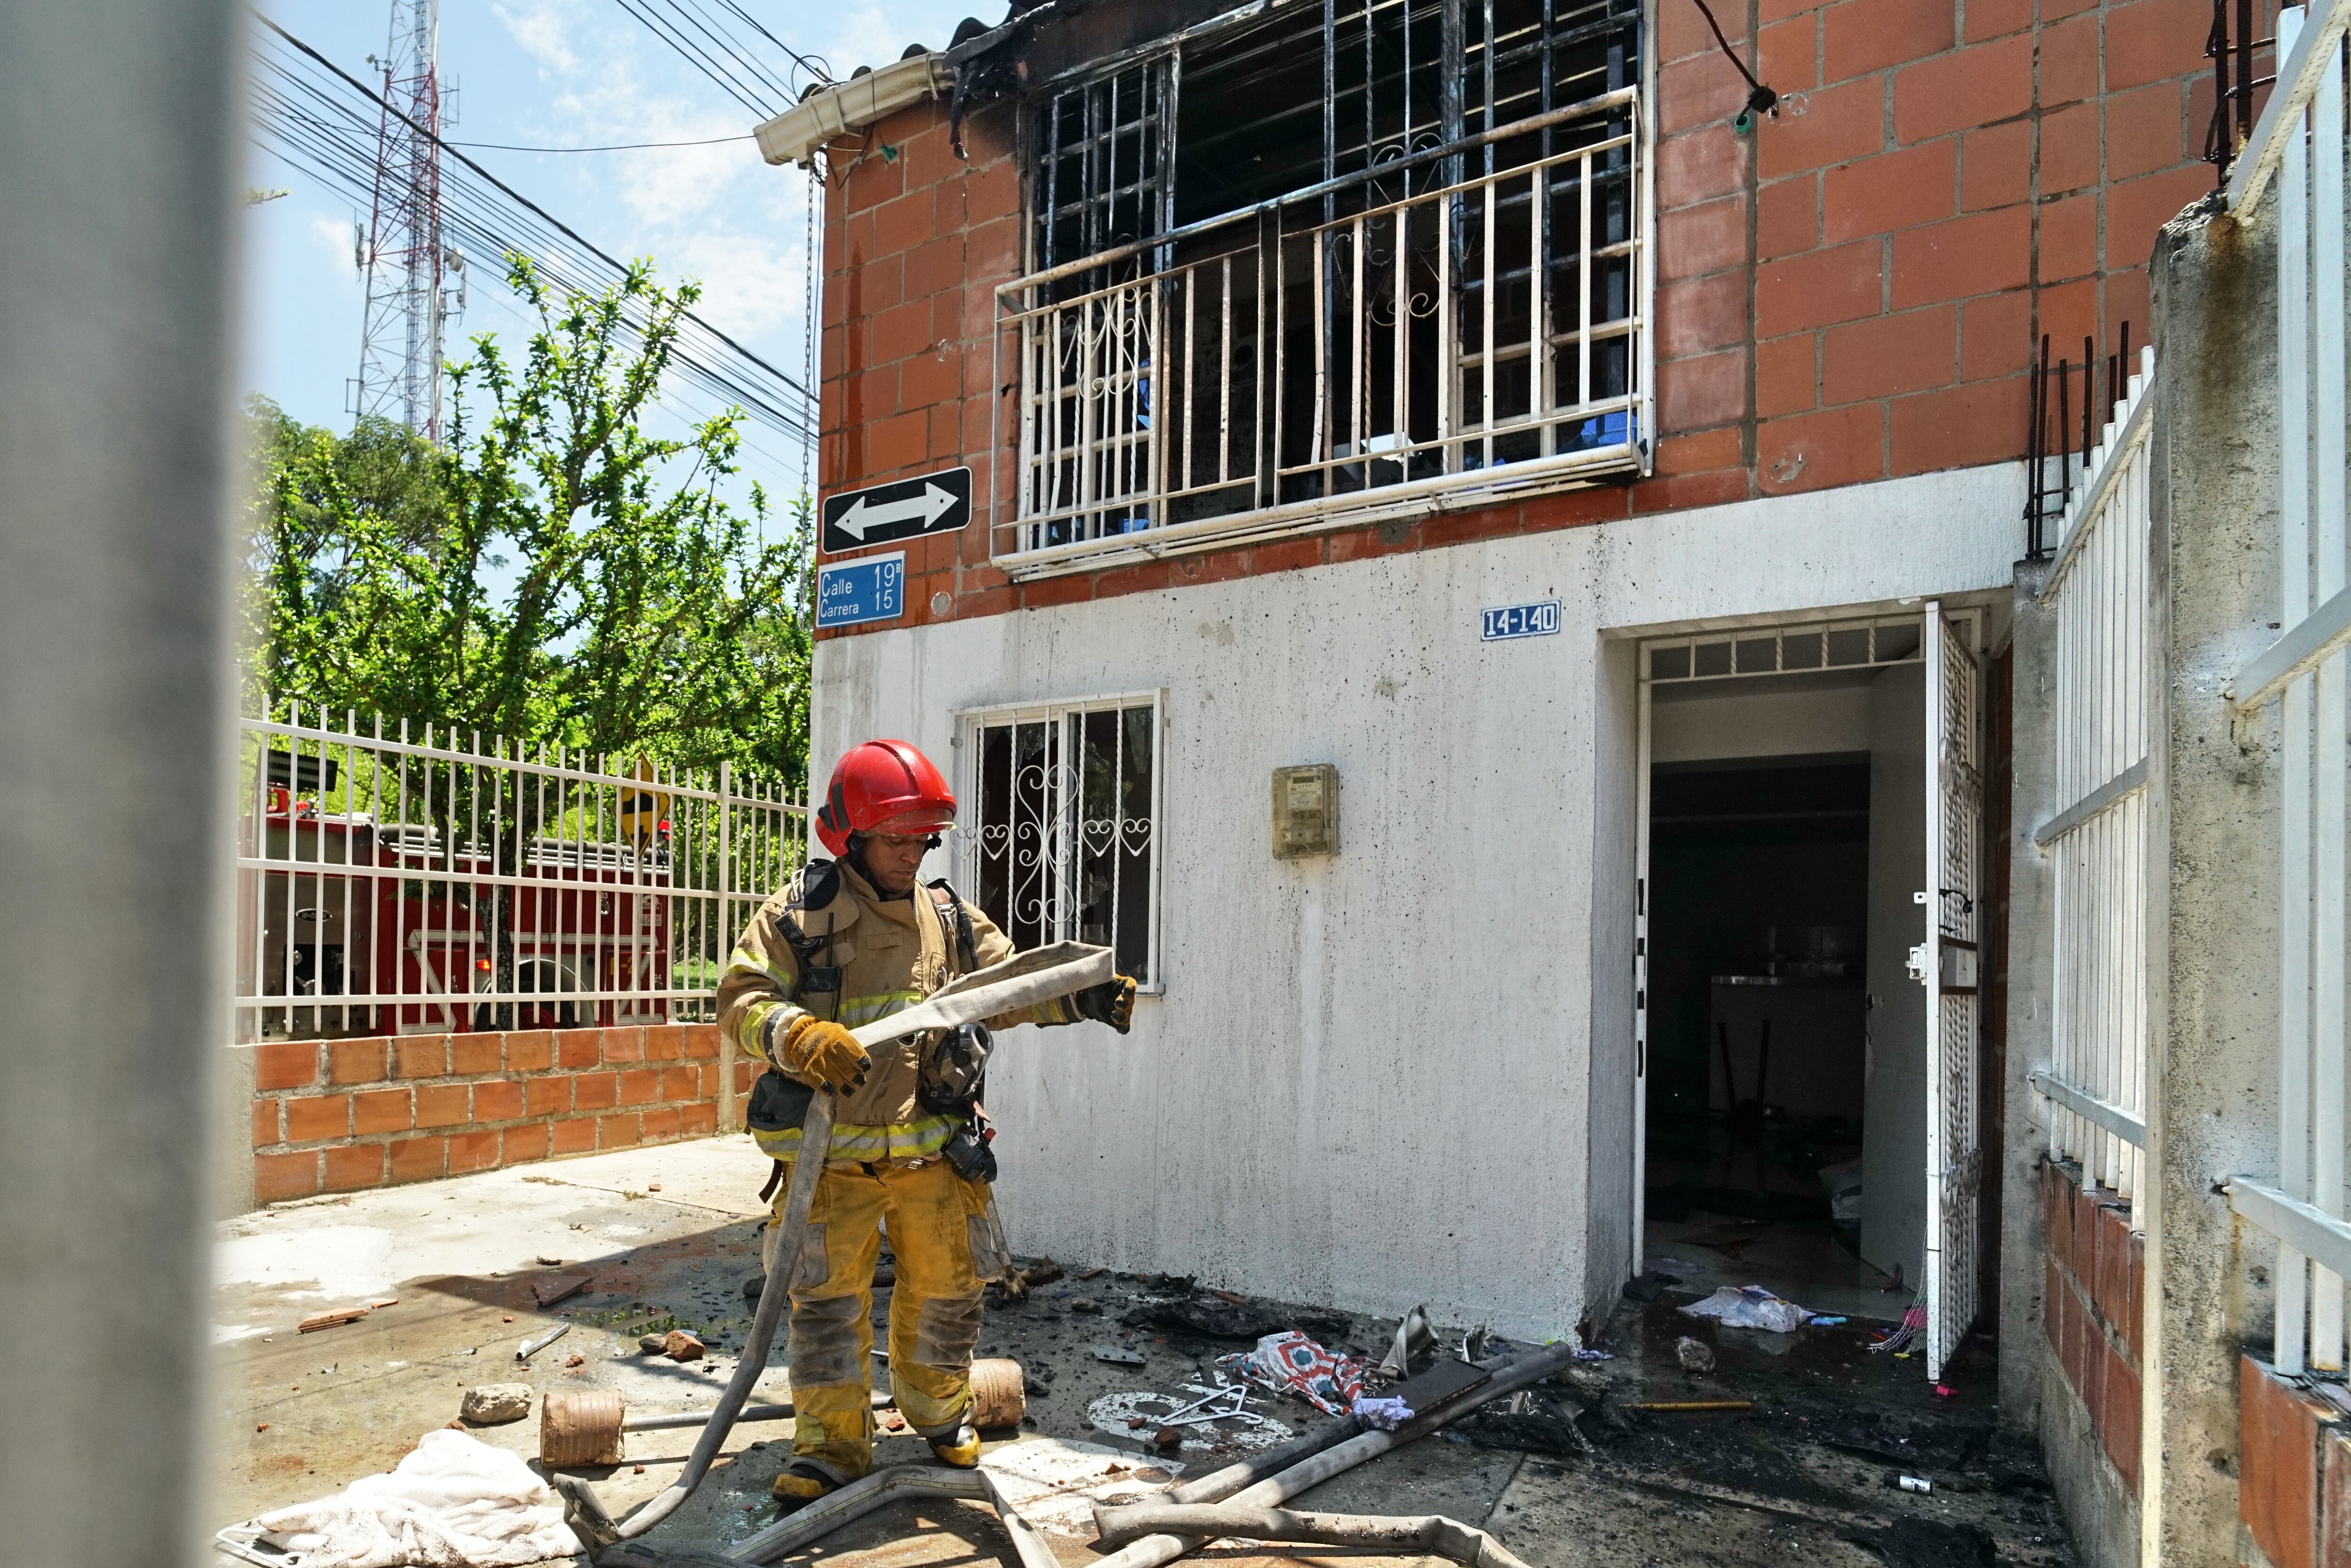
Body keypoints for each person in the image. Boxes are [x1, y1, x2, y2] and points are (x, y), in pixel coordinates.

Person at [716, 738, 1136, 1512]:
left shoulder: (948, 918)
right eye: (895, 840)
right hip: (830, 1163)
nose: (911, 854)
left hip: (933, 1154)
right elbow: (741, 999)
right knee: (827, 1310)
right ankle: (831, 1449)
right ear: (850, 838)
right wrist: (797, 1035)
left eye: (922, 840)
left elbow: (1007, 989)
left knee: (949, 1295)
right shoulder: (797, 916)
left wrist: (1081, 996)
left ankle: (939, 1414)